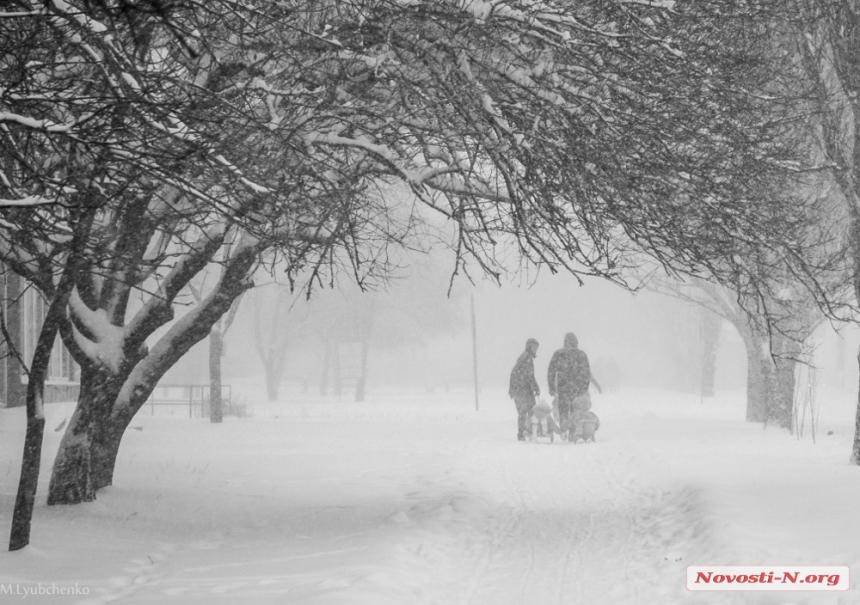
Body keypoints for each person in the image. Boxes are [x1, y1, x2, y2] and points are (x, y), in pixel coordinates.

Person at [547, 332, 601, 439]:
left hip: (563, 388)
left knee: (563, 409)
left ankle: (563, 430)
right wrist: (584, 388)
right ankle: (572, 431)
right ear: (576, 342)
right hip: (577, 388)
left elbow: (551, 371)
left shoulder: (558, 354)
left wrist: (552, 386)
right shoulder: (582, 354)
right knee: (575, 410)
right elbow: (586, 372)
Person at [508, 338, 541, 441]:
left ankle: (525, 431)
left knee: (527, 412)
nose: (535, 349)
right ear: (529, 347)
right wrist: (535, 387)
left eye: (537, 348)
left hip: (521, 389)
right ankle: (525, 432)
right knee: (527, 411)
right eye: (534, 347)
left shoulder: (525, 357)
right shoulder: (526, 358)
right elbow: (528, 376)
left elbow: (527, 375)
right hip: (522, 390)